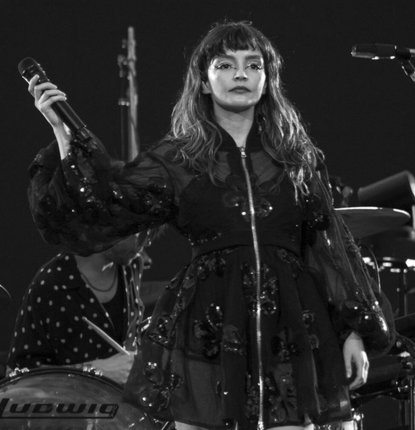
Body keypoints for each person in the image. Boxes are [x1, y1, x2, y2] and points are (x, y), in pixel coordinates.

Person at [26, 20, 394, 430]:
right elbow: (103, 206)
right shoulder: (179, 159)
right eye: (225, 64)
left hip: (289, 331)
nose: (241, 74)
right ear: (203, 81)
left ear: (267, 80)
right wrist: (63, 133)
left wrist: (353, 332)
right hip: (208, 331)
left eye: (253, 65)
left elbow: (329, 247)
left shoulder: (297, 158)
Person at [7, 232, 149, 385]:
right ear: (107, 226)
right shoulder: (51, 284)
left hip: (120, 397)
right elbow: (17, 375)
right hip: (72, 399)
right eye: (138, 231)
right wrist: (96, 371)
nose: (146, 242)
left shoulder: (132, 265)